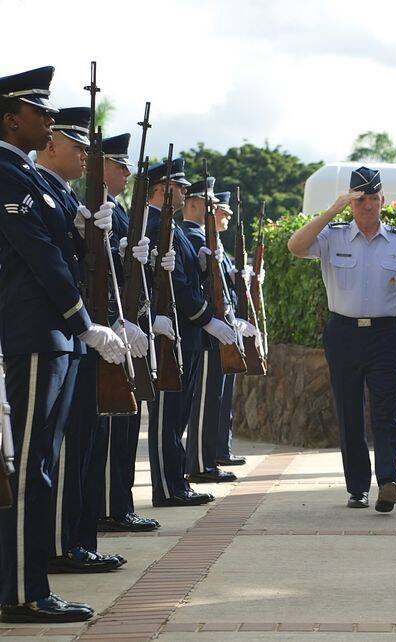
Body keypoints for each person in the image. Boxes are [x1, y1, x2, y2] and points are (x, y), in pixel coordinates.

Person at [0, 65, 126, 623]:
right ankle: (24, 593)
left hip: (52, 334)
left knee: (41, 462)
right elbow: (40, 258)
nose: (49, 120)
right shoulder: (7, 175)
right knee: (31, 467)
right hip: (34, 333)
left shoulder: (25, 175)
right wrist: (83, 322)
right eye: (38, 111)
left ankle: (26, 586)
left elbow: (66, 254)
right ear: (10, 118)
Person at [36, 109, 143, 573]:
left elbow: (91, 270)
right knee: (62, 448)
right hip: (54, 331)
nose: (82, 155)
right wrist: (87, 323)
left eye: (87, 148)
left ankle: (75, 540)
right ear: (50, 146)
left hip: (76, 333)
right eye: (74, 145)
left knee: (82, 444)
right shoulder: (30, 185)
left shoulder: (59, 193)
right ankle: (62, 546)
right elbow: (51, 268)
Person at [288, 167, 396, 512]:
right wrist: (333, 210)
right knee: (349, 412)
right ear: (352, 202)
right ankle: (357, 488)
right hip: (344, 333)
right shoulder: (332, 236)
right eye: (360, 199)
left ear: (383, 200)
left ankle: (387, 481)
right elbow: (295, 246)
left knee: (387, 411)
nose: (367, 206)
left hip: (385, 334)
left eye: (373, 199)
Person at [145, 159, 235, 506]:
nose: (184, 191)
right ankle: (167, 488)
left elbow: (186, 275)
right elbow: (175, 284)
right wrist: (205, 317)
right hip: (174, 333)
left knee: (177, 415)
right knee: (168, 416)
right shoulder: (155, 224)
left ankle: (176, 483)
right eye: (179, 186)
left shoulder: (170, 227)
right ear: (163, 188)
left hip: (186, 333)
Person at [94, 132, 160, 532]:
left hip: (128, 324)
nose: (126, 174)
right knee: (113, 425)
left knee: (126, 425)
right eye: (120, 166)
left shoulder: (117, 209)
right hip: (111, 327)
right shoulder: (98, 206)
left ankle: (120, 502)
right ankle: (109, 506)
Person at [181, 179, 253, 483]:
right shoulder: (191, 237)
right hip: (206, 328)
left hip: (218, 328)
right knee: (205, 400)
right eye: (208, 205)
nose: (214, 211)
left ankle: (207, 460)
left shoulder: (204, 239)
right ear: (194, 204)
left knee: (214, 400)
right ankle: (199, 463)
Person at [212, 191, 247, 467]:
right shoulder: (201, 241)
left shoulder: (217, 246)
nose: (228, 217)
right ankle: (209, 456)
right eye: (224, 211)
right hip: (210, 332)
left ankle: (219, 449)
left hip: (225, 326)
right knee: (212, 400)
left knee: (223, 399)